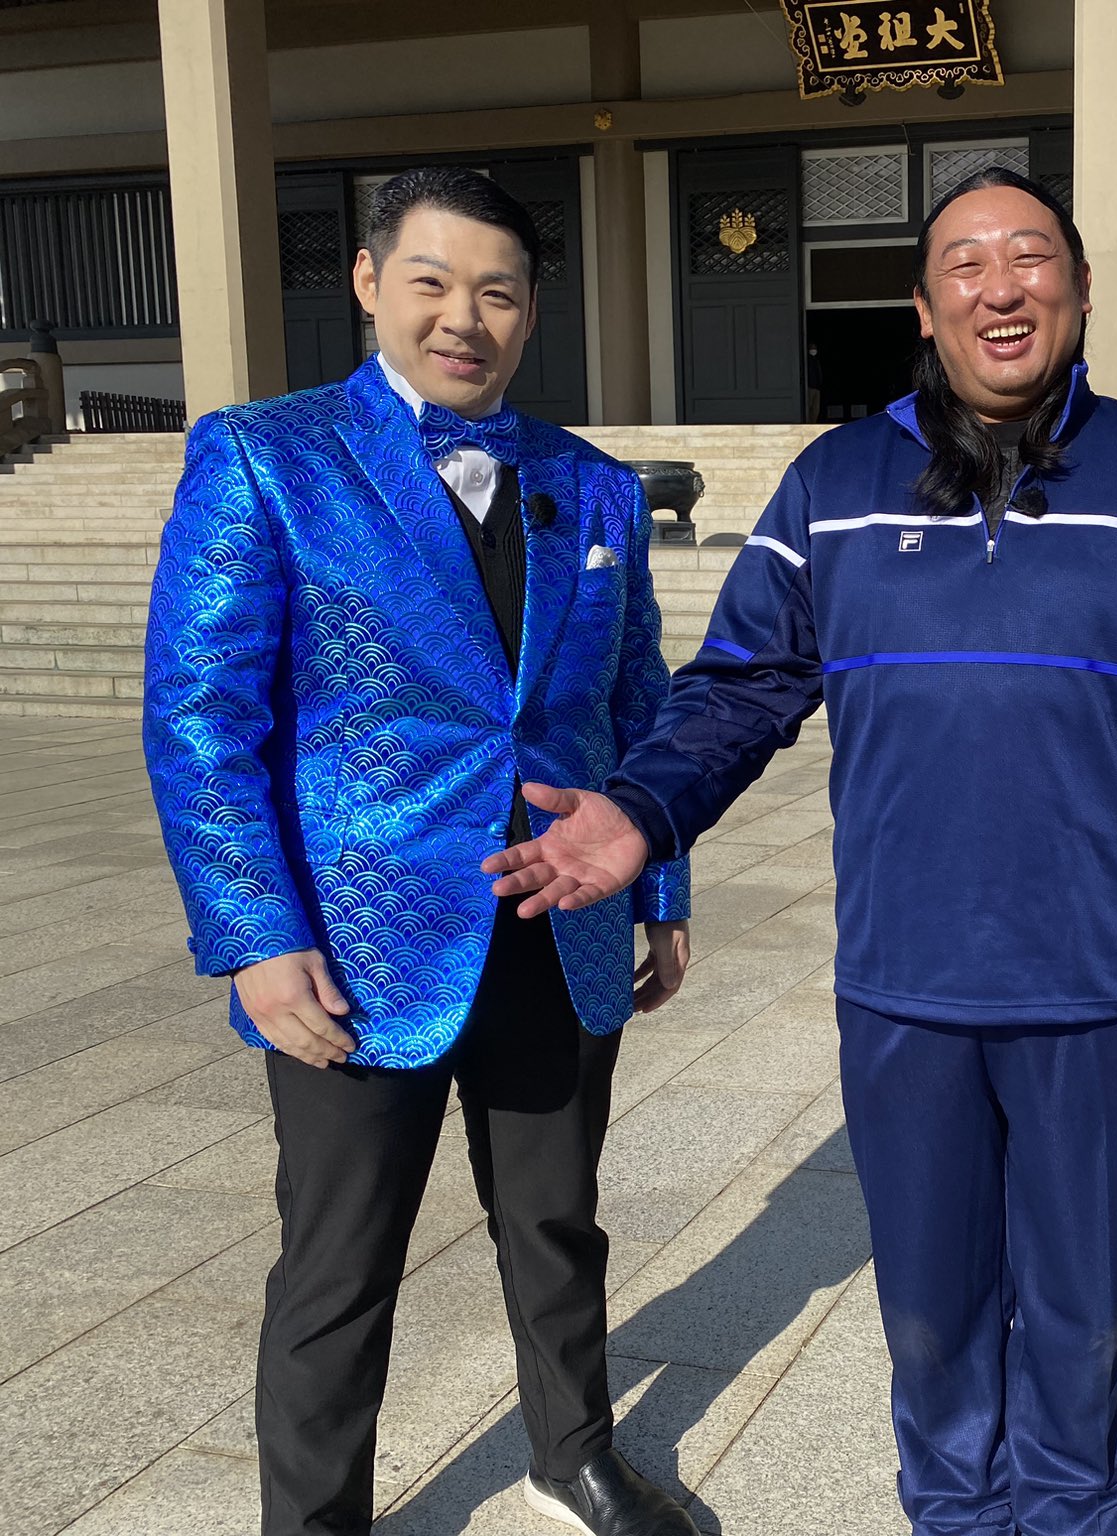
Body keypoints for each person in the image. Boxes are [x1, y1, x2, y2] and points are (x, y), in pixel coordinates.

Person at [480, 166, 1117, 1536]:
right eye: (966, 263)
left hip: (1096, 978)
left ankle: (1078, 1511)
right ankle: (953, 1511)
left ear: (1080, 290)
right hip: (907, 977)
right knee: (931, 1307)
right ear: (923, 305)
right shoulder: (834, 484)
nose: (1000, 288)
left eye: (1031, 258)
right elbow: (739, 688)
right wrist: (642, 808)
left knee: (1080, 1306)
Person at [142, 167, 699, 1536]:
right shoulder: (268, 457)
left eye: (497, 292)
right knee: (339, 1263)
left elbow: (637, 699)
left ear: (530, 311)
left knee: (557, 1224)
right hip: (354, 943)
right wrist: (256, 935)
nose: (465, 318)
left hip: (557, 920)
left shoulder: (591, 485)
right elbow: (200, 717)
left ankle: (572, 1455)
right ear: (370, 283)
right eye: (433, 283)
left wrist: (659, 881)